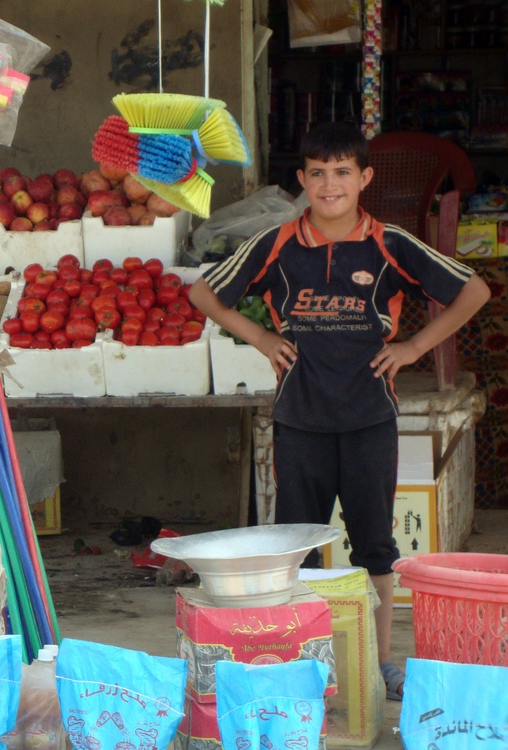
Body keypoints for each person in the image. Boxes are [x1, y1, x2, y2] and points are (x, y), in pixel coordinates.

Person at [189, 121, 491, 701]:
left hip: (368, 419)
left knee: (375, 544)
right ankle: (298, 663)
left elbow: (472, 290)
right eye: (318, 173)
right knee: (293, 547)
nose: (330, 184)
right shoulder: (276, 242)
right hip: (299, 420)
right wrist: (258, 337)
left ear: (364, 179)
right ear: (302, 179)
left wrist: (413, 348)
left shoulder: (390, 243)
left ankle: (378, 664)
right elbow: (204, 293)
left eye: (343, 173)